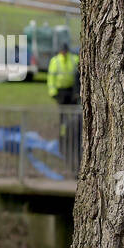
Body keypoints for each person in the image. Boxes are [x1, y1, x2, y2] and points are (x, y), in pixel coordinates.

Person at [47, 42, 80, 172]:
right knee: (62, 116)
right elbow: (51, 78)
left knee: (72, 115)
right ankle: (63, 134)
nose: (64, 53)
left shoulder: (74, 59)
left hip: (71, 92)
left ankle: (72, 133)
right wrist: (53, 93)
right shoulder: (55, 61)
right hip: (60, 92)